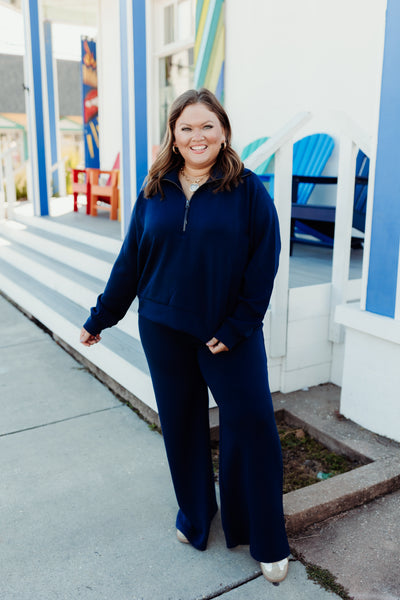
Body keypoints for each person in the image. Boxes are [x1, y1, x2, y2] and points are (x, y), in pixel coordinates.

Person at [80, 88, 290, 584]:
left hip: (227, 335)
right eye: (186, 127)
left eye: (207, 126)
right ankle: (197, 517)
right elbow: (132, 260)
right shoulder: (155, 190)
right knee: (182, 426)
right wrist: (100, 317)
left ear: (224, 132)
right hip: (162, 329)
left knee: (253, 426)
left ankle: (263, 536)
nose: (198, 136)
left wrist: (238, 326)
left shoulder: (249, 192)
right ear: (173, 136)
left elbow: (263, 266)